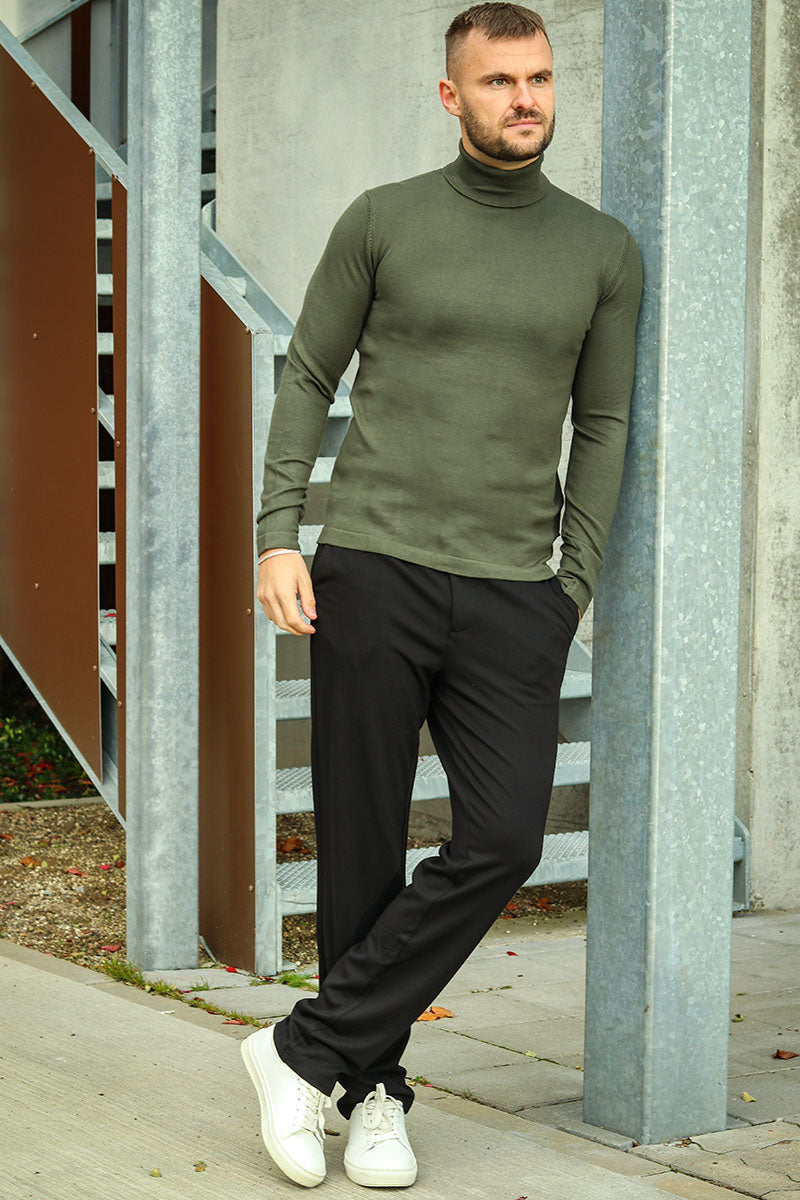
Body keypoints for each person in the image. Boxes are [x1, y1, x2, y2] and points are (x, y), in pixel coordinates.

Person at [241, 1, 643, 1189]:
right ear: (450, 95)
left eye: (537, 78)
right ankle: (370, 1092)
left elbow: (602, 425)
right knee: (361, 847)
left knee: (504, 837)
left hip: (516, 591)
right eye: (498, 81)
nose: (523, 99)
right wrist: (277, 537)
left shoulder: (600, 251)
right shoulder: (382, 220)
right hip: (373, 568)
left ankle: (299, 1052)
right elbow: (307, 374)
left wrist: (570, 584)